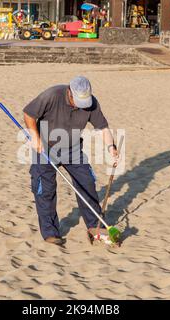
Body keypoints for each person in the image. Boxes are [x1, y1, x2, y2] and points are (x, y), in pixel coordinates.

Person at [23, 76, 119, 246]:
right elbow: (29, 114)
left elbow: (102, 127)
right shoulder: (52, 95)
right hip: (45, 147)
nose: (80, 106)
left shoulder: (92, 103)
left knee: (87, 182)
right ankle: (51, 232)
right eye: (78, 102)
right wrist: (35, 137)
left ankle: (95, 225)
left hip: (73, 149)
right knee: (45, 189)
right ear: (70, 92)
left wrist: (111, 147)